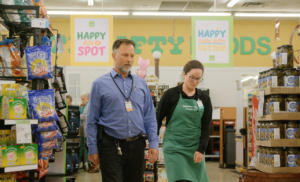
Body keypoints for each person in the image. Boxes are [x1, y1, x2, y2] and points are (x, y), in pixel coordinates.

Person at [86, 39, 159, 182]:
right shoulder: (100, 84)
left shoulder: (141, 83)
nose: (129, 59)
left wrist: (154, 144)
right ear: (113, 56)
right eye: (125, 55)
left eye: (132, 56)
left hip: (137, 145)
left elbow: (150, 116)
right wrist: (92, 148)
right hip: (111, 146)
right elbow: (91, 120)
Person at [157, 60, 212, 182]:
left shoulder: (204, 98)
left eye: (198, 79)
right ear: (184, 74)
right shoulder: (171, 95)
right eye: (192, 77)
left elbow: (206, 125)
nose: (195, 82)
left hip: (194, 148)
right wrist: (152, 144)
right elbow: (158, 118)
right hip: (174, 147)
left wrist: (201, 149)